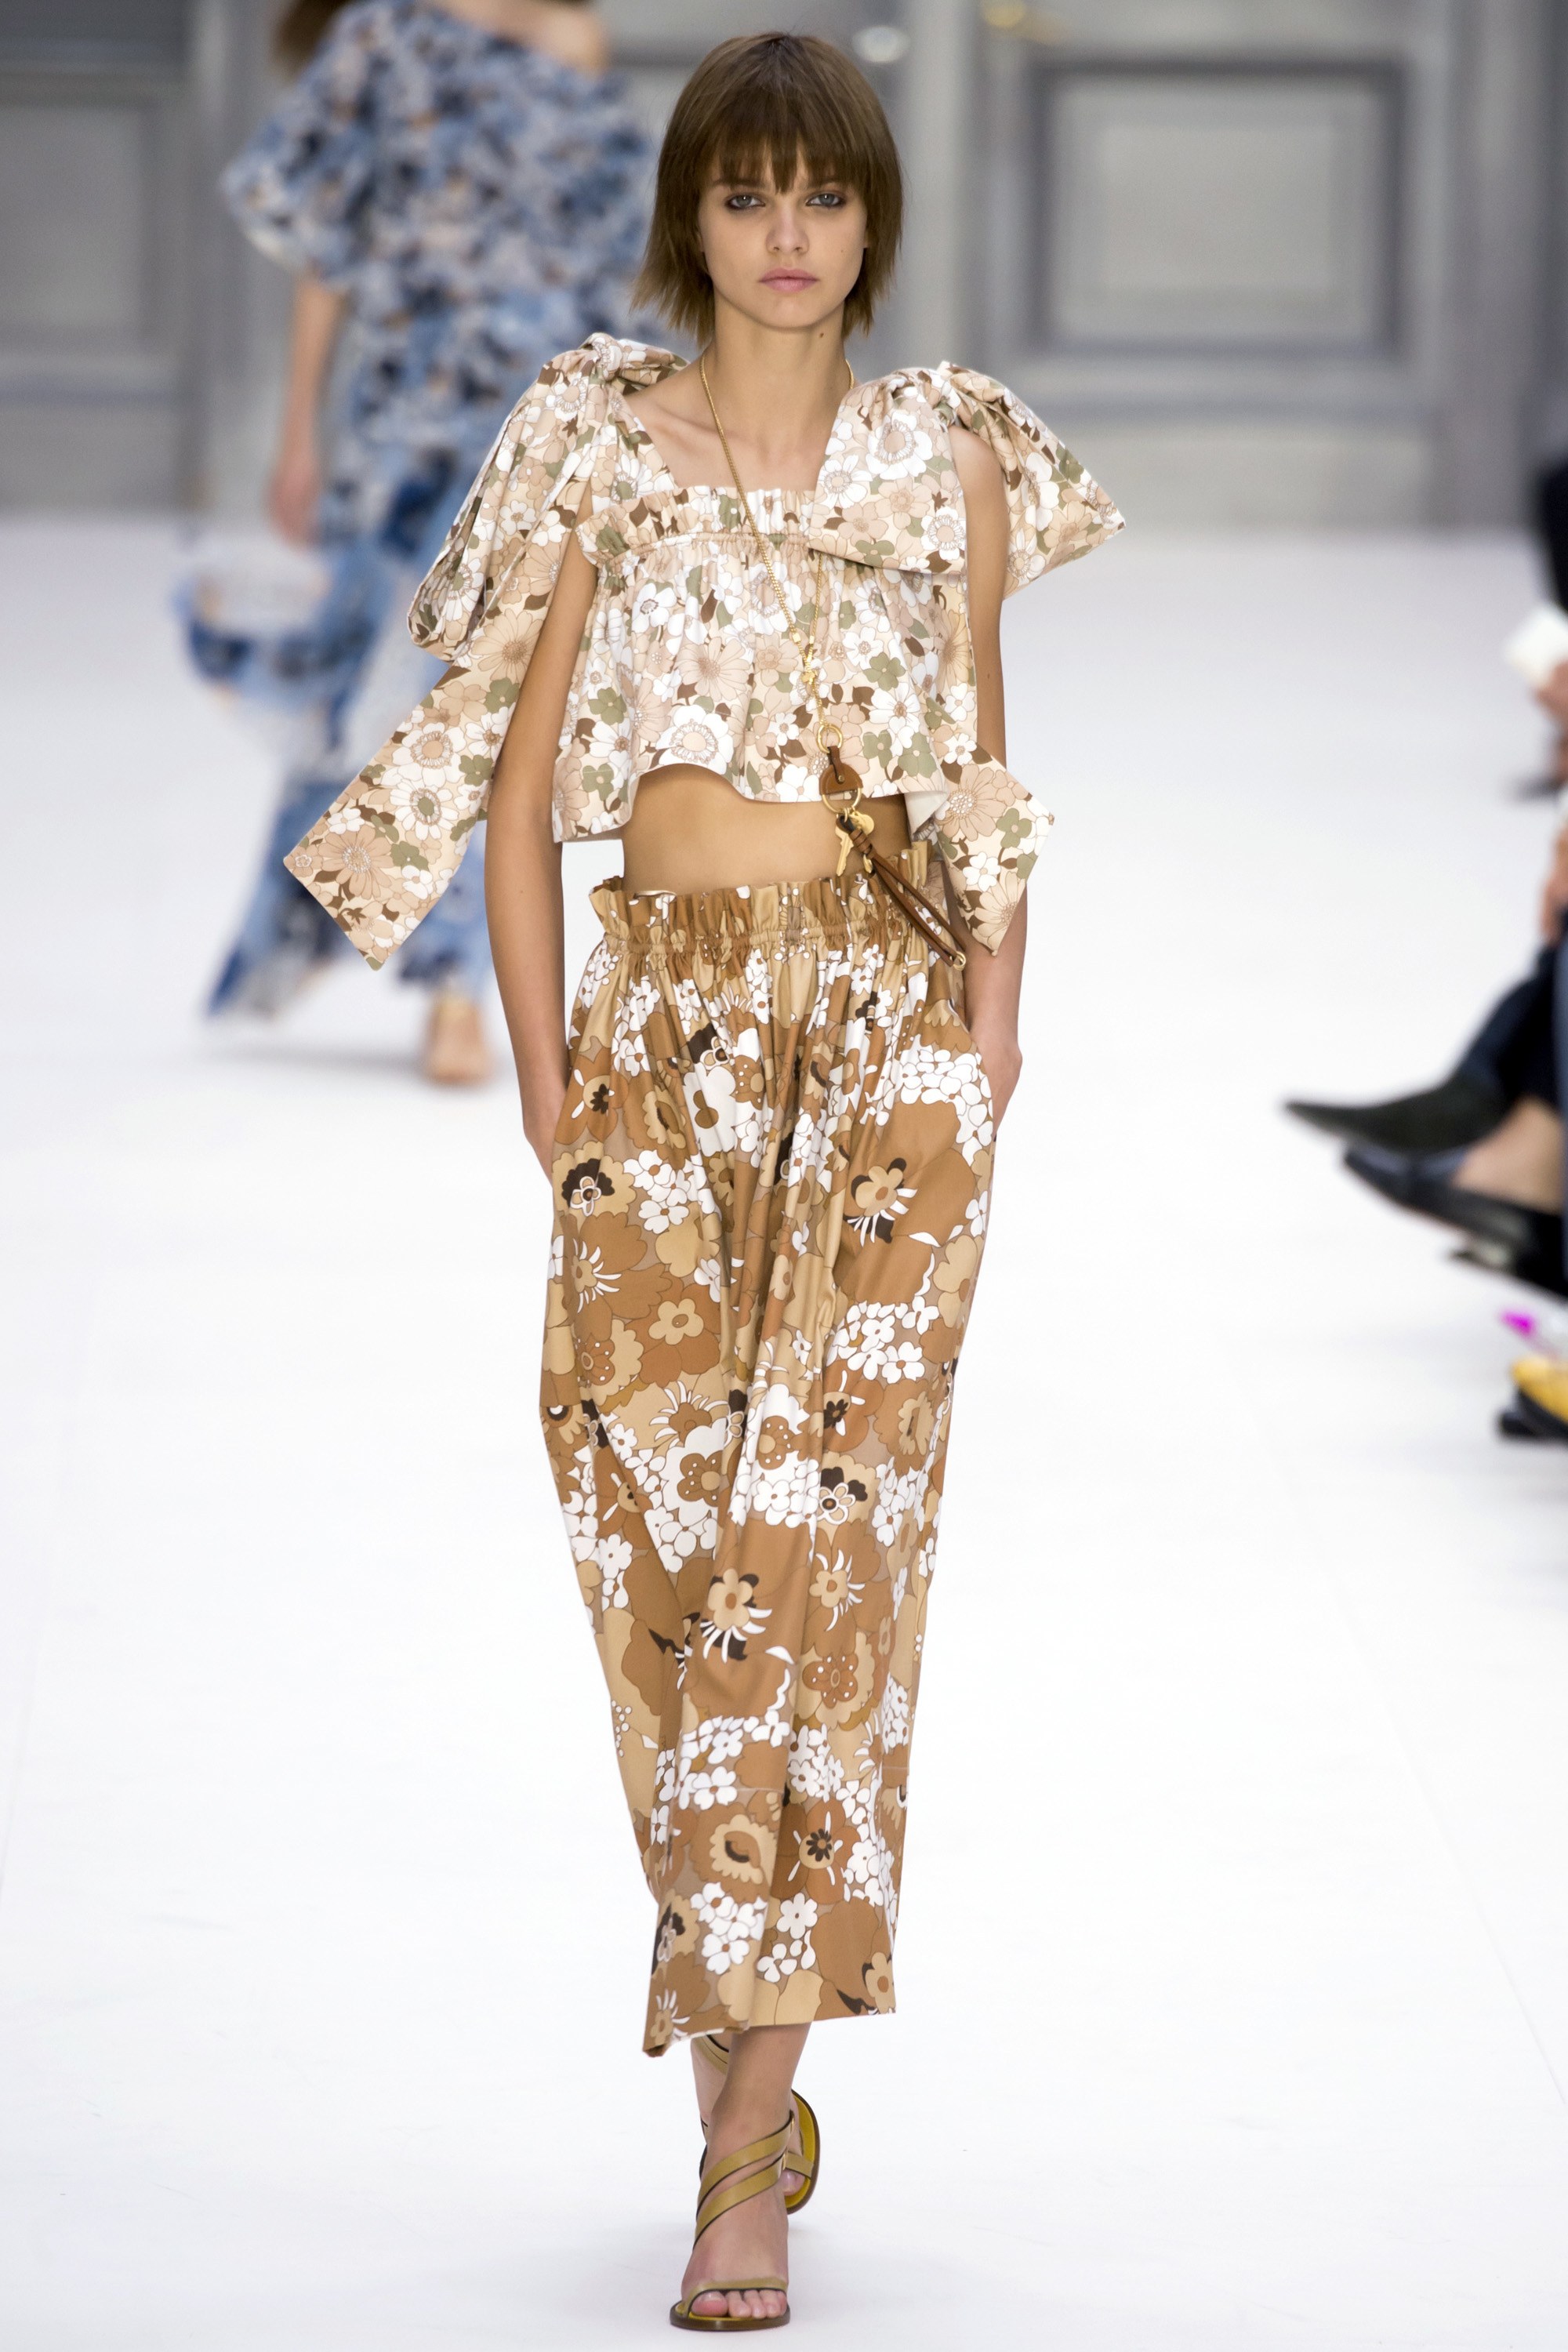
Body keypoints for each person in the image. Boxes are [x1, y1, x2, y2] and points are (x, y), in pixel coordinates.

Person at [283, 31, 1122, 2326]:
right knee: (659, 1557)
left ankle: (741, 2149)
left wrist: (991, 1034)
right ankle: (746, 2052)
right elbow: (520, 774)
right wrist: (548, 1082)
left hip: (885, 1039)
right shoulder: (595, 439)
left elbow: (980, 766)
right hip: (657, 1040)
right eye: (746, 192)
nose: (787, 234)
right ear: (691, 218)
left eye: (822, 194)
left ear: (872, 219)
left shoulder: (948, 455)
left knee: (816, 1580)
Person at [193, 0, 648, 1082]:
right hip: (406, 420)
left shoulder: (569, 39)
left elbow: (607, 254)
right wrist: (299, 432)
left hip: (540, 421)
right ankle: (334, 917)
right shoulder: (379, 37)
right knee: (384, 692)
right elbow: (328, 253)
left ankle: (456, 989)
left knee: (491, 704)